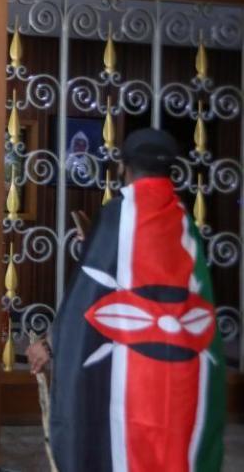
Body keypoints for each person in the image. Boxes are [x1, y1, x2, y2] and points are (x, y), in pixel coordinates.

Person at [27, 128, 226, 472]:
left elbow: (87, 303)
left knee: (120, 449)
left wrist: (50, 344)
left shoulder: (118, 216)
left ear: (123, 168)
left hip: (130, 380)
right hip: (180, 378)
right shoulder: (185, 224)